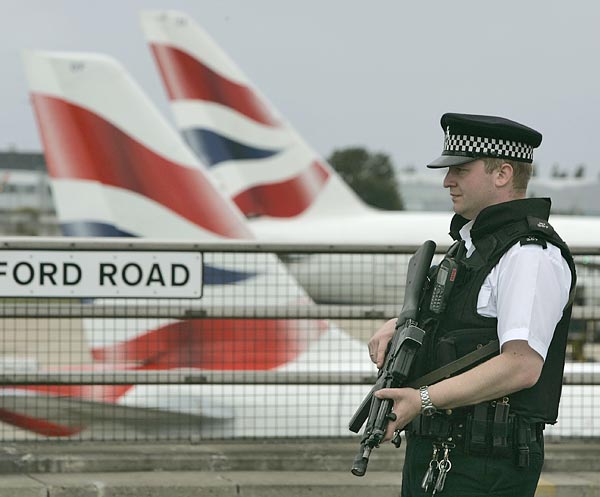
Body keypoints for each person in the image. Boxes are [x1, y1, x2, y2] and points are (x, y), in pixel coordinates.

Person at [368, 113, 577, 496]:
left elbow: (522, 365)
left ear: (502, 174)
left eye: (461, 170)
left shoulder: (530, 254)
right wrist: (398, 323)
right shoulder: (473, 245)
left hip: (485, 466)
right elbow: (457, 314)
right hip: (442, 453)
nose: (448, 180)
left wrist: (422, 399)